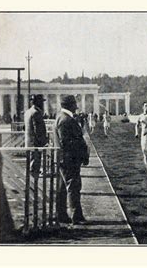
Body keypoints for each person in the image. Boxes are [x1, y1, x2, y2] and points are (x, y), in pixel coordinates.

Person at [54, 95, 89, 225]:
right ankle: (76, 216)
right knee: (73, 186)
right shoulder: (65, 120)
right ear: (69, 105)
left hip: (66, 158)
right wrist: (81, 153)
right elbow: (67, 143)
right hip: (70, 159)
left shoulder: (61, 117)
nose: (76, 106)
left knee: (63, 188)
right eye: (74, 104)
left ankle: (62, 215)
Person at [24, 94, 48, 179]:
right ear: (38, 103)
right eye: (41, 102)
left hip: (29, 142)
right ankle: (34, 185)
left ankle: (32, 181)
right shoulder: (36, 113)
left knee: (31, 163)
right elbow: (38, 130)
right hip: (35, 144)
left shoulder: (28, 112)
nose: (42, 104)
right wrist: (44, 142)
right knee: (35, 165)